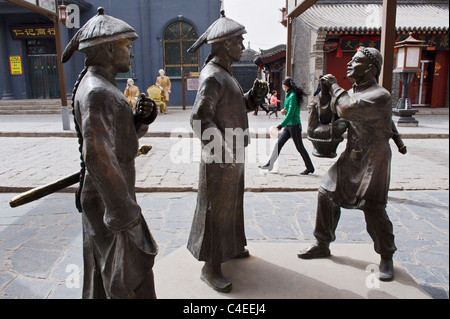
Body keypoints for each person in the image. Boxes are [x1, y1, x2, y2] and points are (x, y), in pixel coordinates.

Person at [62, 7, 158, 298]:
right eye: (126, 47)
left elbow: (117, 140)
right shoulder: (97, 92)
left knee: (102, 269)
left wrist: (139, 121)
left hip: (106, 192)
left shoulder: (102, 86)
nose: (130, 53)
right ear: (106, 50)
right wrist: (123, 211)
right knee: (129, 275)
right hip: (109, 197)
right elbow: (98, 155)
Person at [297, 47, 407, 282]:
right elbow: (335, 113)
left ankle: (386, 256)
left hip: (373, 157)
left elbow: (347, 107)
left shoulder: (380, 95)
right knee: (326, 192)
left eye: (355, 61)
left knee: (373, 207)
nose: (349, 64)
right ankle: (322, 242)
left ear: (370, 68)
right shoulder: (351, 92)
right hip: (352, 153)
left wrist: (335, 87)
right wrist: (325, 95)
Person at [186, 11, 268, 293]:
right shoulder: (213, 76)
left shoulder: (225, 74)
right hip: (221, 158)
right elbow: (199, 119)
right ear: (223, 44)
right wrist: (223, 152)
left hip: (232, 154)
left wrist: (254, 98)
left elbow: (234, 109)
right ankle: (211, 267)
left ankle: (231, 247)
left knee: (231, 207)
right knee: (215, 210)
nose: (243, 47)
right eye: (238, 41)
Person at [259, 77, 315, 176]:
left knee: (300, 148)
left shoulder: (292, 96)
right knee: (278, 144)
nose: (282, 86)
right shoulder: (289, 95)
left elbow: (290, 114)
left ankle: (310, 168)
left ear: (286, 86)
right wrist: (284, 111)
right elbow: (288, 110)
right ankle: (270, 164)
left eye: (283, 84)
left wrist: (280, 125)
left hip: (294, 126)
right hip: (289, 126)